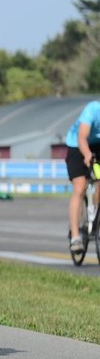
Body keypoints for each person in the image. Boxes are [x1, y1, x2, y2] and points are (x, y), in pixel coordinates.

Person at [65, 100, 100, 255]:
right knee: (80, 186)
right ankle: (75, 237)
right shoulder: (93, 109)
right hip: (77, 144)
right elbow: (82, 137)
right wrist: (87, 155)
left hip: (98, 145)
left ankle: (94, 213)